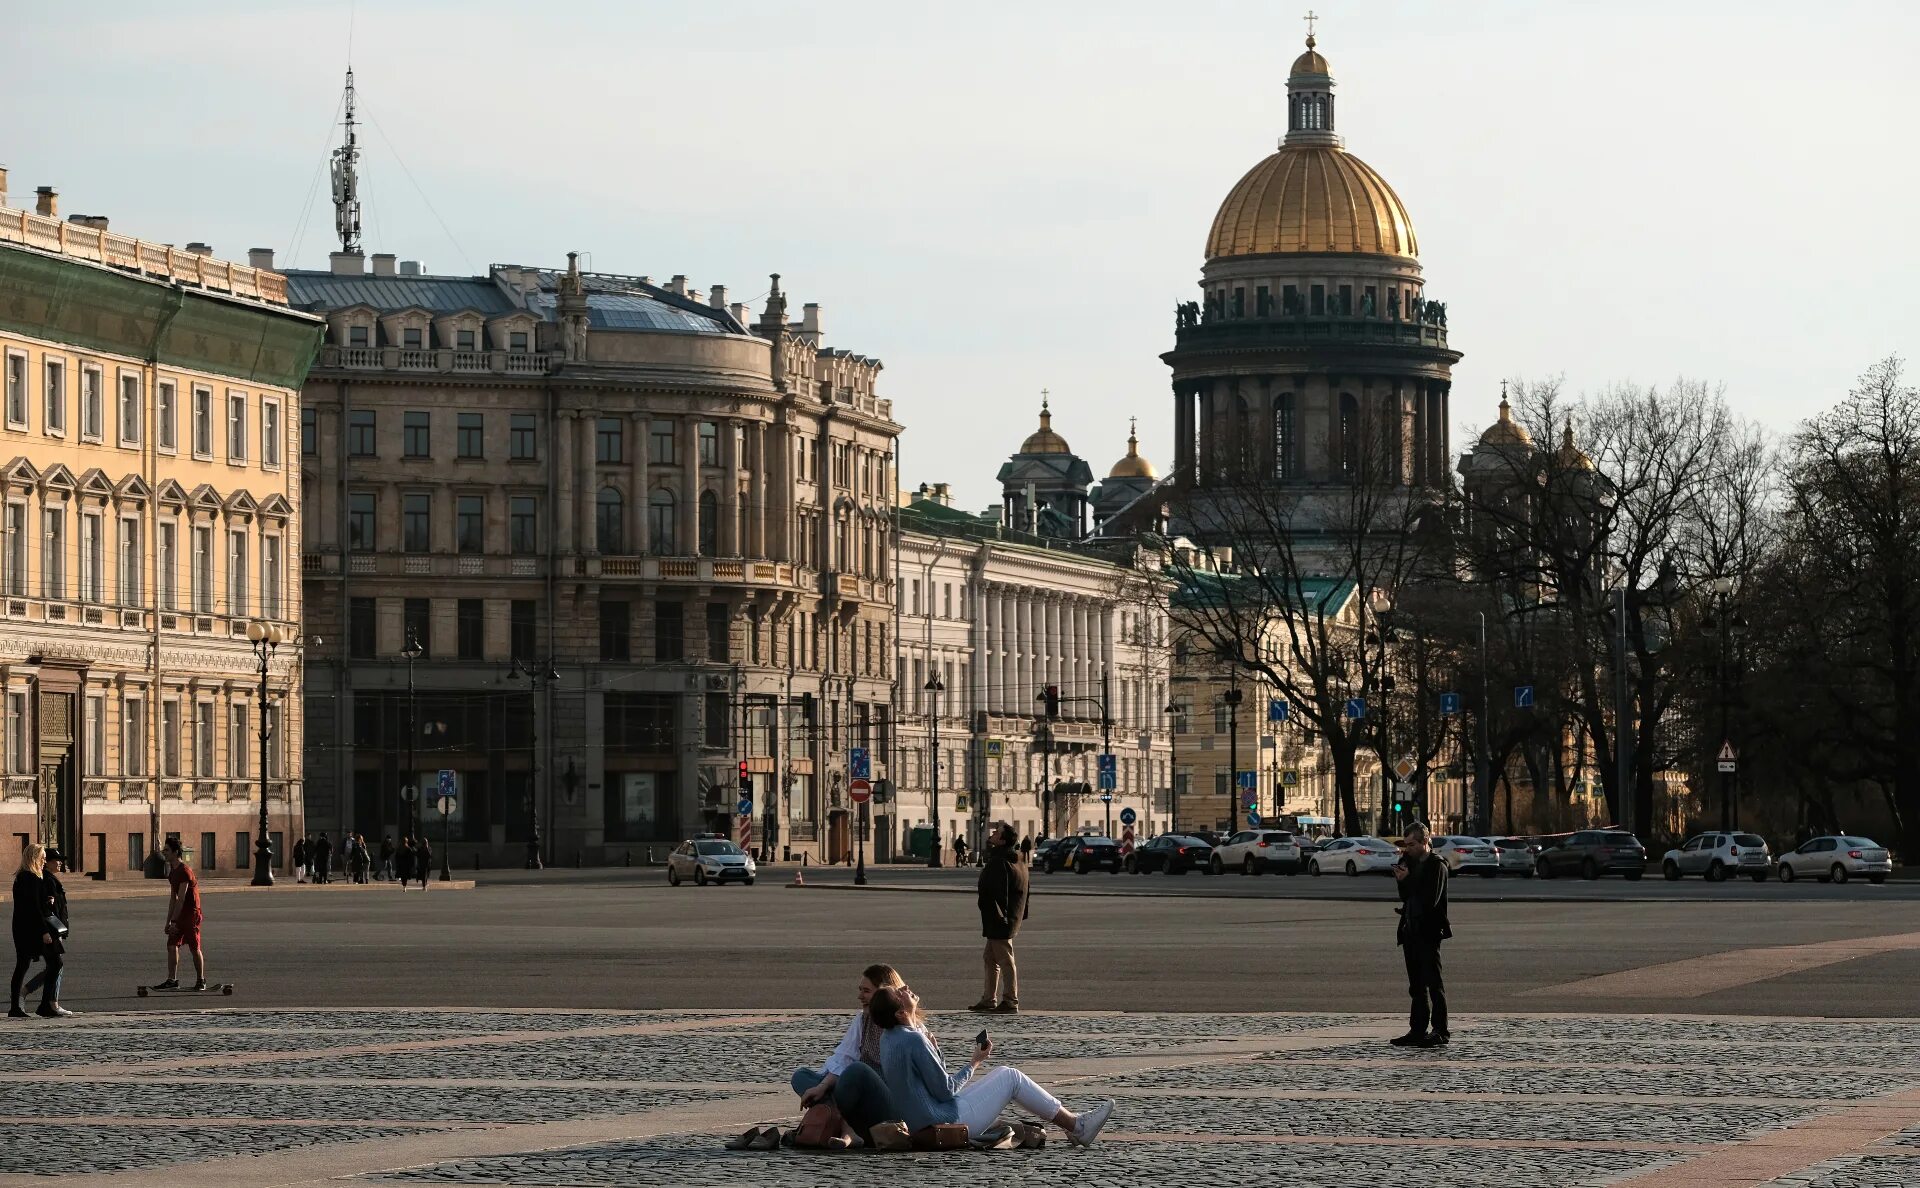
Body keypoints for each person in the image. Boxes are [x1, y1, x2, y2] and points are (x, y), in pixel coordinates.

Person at [872, 986, 1112, 1146]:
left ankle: (1070, 1125)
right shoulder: (913, 1039)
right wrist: (975, 1061)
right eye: (899, 992)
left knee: (1004, 1075)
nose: (904, 988)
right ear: (901, 1012)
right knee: (1010, 1078)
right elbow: (945, 1089)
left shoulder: (889, 1038)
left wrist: (932, 1046)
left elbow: (929, 1086)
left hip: (924, 1121)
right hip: (945, 1122)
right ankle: (1078, 1127)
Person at [789, 964, 907, 1145]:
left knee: (857, 1070)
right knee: (801, 1077)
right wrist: (821, 1087)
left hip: (888, 1106)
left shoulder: (905, 1026)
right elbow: (843, 1059)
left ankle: (840, 1126)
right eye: (860, 990)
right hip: (856, 1101)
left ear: (885, 993)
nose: (860, 996)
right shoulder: (862, 1019)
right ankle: (844, 1124)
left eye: (866, 991)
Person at [1391, 823, 1451, 1048]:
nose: (1407, 849)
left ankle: (1440, 1030)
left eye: (1412, 844)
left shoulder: (1437, 866)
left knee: (1434, 983)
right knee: (1416, 985)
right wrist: (1402, 880)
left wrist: (1409, 879)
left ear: (1425, 842)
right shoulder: (1408, 863)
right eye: (1406, 845)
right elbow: (1405, 897)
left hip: (1429, 930)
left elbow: (1430, 899)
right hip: (1410, 929)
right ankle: (1417, 1029)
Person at [970, 822, 1027, 1014]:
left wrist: (1000, 917)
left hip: (999, 919)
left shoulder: (999, 861)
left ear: (1002, 840)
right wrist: (1021, 913)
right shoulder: (1017, 859)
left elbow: (997, 893)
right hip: (1006, 917)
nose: (993, 834)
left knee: (1005, 959)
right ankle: (988, 999)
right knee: (990, 957)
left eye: (997, 833)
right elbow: (1024, 890)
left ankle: (1010, 1000)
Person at [10, 843, 70, 1018]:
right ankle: (45, 1005)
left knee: (23, 965)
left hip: (23, 928)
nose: (44, 860)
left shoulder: (23, 877)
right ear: (34, 857)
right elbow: (34, 907)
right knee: (55, 963)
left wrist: (47, 901)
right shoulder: (31, 878)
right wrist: (44, 931)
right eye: (43, 857)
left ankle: (18, 1006)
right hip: (33, 929)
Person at [153, 837, 207, 992]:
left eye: (167, 850)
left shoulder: (184, 871)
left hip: (191, 913)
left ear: (176, 852)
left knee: (194, 947)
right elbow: (173, 898)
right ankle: (172, 980)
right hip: (179, 913)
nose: (164, 852)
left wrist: (175, 922)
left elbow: (182, 898)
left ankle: (201, 980)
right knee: (171, 945)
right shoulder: (172, 872)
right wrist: (168, 922)